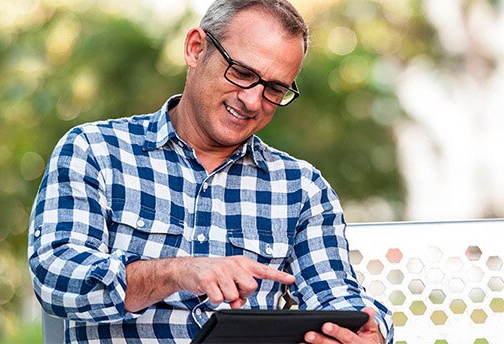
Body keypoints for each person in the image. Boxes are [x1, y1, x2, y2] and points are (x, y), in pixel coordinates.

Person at [28, 0, 394, 343]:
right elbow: (56, 278)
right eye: (242, 73)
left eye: (274, 89)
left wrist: (369, 330)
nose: (252, 101)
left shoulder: (300, 188)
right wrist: (177, 271)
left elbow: (337, 295)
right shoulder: (95, 150)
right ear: (195, 48)